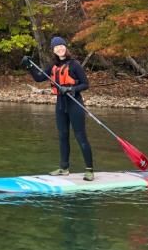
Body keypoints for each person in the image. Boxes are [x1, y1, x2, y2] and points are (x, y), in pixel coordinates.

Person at [23, 37, 95, 181]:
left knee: (80, 137)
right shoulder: (53, 66)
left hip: (75, 104)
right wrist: (29, 66)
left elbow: (85, 84)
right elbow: (38, 78)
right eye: (56, 47)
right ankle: (64, 168)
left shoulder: (74, 65)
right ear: (53, 50)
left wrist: (70, 89)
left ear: (65, 47)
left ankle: (89, 170)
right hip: (61, 105)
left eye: (61, 46)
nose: (59, 49)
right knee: (62, 136)